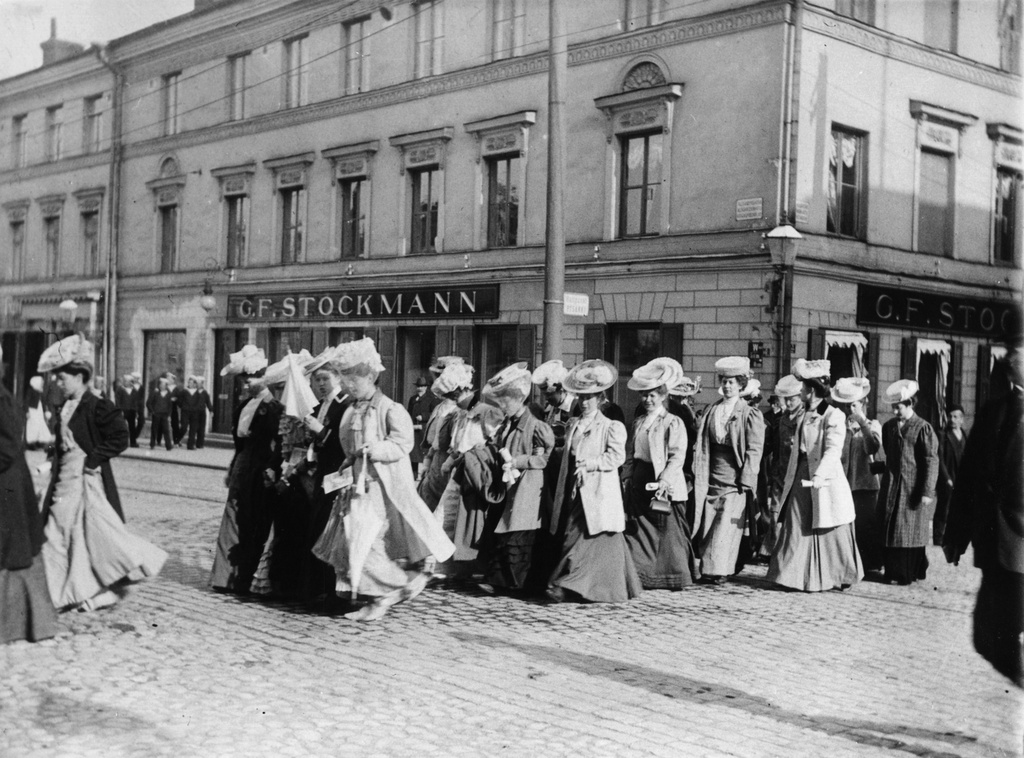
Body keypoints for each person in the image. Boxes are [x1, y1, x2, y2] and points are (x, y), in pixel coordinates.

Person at [313, 337, 455, 622]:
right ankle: (376, 597)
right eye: (347, 380)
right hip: (356, 487)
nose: (350, 387)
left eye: (355, 381)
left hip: (381, 487)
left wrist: (374, 450)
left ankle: (399, 584)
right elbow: (347, 444)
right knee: (351, 541)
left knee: (369, 541)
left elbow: (403, 443)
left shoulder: (391, 409)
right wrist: (348, 462)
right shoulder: (352, 410)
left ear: (370, 378)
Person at [37, 335, 166, 611]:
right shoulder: (64, 406)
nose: (59, 383)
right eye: (57, 379)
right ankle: (71, 592)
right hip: (63, 479)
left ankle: (79, 592)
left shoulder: (97, 405)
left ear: (80, 377)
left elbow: (120, 437)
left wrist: (92, 461)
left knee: (75, 534)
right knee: (67, 534)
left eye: (63, 378)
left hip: (84, 481)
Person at [943, 346, 1024, 687]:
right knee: (986, 639)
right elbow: (969, 478)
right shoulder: (993, 412)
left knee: (1001, 634)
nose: (1013, 358)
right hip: (994, 544)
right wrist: (955, 534)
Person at [547, 359, 642, 604]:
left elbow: (617, 456)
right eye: (580, 396)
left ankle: (567, 584)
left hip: (598, 489)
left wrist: (590, 464)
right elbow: (567, 454)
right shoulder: (574, 424)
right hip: (573, 488)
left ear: (600, 398)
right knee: (571, 534)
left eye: (590, 397)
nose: (584, 401)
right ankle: (582, 586)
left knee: (584, 537)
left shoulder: (611, 426)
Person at [767, 360, 863, 592]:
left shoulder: (834, 415)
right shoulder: (805, 414)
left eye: (802, 387)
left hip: (824, 478)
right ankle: (790, 575)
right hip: (801, 474)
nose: (799, 391)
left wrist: (820, 474)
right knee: (796, 522)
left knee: (831, 527)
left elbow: (833, 449)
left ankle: (842, 572)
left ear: (811, 390)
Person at [477, 363, 555, 594]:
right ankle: (502, 580)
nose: (502, 406)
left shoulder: (537, 427)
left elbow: (544, 460)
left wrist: (518, 461)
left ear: (518, 400)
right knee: (505, 528)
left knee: (521, 531)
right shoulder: (507, 425)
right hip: (510, 485)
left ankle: (519, 582)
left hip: (529, 487)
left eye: (505, 401)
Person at [210, 344, 281, 594]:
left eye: (252, 379)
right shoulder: (242, 407)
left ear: (264, 379)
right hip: (243, 466)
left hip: (260, 468)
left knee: (253, 522)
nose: (247, 384)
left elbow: (278, 443)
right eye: (245, 380)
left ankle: (244, 577)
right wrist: (232, 468)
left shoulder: (273, 408)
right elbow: (239, 444)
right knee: (232, 518)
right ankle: (224, 577)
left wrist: (272, 470)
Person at [622, 358, 699, 589]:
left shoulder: (672, 422)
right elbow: (632, 452)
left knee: (667, 530)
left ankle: (674, 575)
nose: (647, 400)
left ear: (663, 395)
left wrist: (665, 479)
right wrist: (626, 475)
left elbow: (677, 455)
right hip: (640, 479)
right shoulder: (639, 422)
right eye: (644, 395)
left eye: (653, 395)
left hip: (664, 482)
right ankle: (642, 573)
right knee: (640, 529)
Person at [0, 346, 58, 643]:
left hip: (7, 486)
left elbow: (8, 446)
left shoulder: (0, 398)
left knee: (13, 553)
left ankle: (25, 624)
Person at [691, 356, 765, 584]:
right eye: (724, 381)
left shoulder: (748, 412)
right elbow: (702, 443)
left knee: (726, 527)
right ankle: (708, 567)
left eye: (732, 382)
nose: (727, 385)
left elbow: (755, 448)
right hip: (711, 474)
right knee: (708, 522)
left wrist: (747, 477)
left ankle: (719, 571)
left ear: (741, 384)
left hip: (735, 477)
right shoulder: (712, 410)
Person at [299, 348, 351, 605]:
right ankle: (316, 587)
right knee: (317, 528)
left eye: (325, 379)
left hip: (337, 477)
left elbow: (344, 445)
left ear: (338, 378)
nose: (320, 384)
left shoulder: (345, 405)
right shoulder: (320, 405)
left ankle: (331, 590)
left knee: (330, 531)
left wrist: (321, 432)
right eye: (317, 379)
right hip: (321, 475)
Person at [878, 379, 939, 585]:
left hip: (912, 486)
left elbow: (931, 460)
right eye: (893, 407)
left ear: (910, 404)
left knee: (910, 528)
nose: (895, 411)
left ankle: (908, 572)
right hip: (892, 485)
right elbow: (889, 452)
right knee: (891, 526)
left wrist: (927, 491)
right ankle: (892, 571)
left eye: (899, 407)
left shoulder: (924, 428)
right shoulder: (889, 427)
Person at [831, 377, 884, 574]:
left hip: (866, 484)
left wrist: (863, 424)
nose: (849, 410)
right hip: (844, 483)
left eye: (853, 405)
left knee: (866, 525)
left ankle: (870, 564)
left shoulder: (873, 425)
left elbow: (873, 447)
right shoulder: (840, 426)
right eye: (846, 406)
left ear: (863, 404)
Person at [418, 359, 473, 511]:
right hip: (434, 463)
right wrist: (427, 460)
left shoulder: (459, 411)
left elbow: (459, 444)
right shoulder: (439, 408)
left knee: (443, 511)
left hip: (448, 464)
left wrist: (448, 463)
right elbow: (433, 438)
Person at [759, 374, 803, 558]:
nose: (789, 403)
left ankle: (788, 555)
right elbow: (772, 445)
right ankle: (772, 552)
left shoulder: (804, 418)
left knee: (793, 518)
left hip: (798, 476)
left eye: (792, 399)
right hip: (780, 474)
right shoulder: (782, 420)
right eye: (787, 399)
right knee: (774, 514)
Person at [934, 403, 966, 545]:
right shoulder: (942, 435)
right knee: (944, 507)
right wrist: (946, 478)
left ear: (961, 419)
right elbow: (939, 458)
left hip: (960, 477)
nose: (952, 419)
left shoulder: (964, 435)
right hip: (948, 477)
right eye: (950, 416)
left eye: (956, 417)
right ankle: (938, 536)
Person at [407, 376, 437, 477]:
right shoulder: (413, 399)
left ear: (425, 388)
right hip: (414, 429)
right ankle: (413, 474)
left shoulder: (431, 399)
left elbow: (435, 413)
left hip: (424, 430)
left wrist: (424, 416)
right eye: (418, 386)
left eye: (422, 386)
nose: (420, 388)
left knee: (424, 452)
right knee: (413, 453)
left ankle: (425, 474)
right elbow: (409, 412)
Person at [182, 376, 213, 450]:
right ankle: (192, 443)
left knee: (201, 428)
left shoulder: (205, 393)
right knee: (194, 428)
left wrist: (211, 410)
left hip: (202, 412)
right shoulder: (194, 392)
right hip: (195, 412)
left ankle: (200, 444)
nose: (198, 385)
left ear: (202, 384)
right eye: (197, 383)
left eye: (200, 383)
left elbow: (208, 402)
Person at [24, 375, 54, 449]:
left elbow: (43, 402)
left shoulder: (40, 391)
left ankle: (38, 442)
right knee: (32, 426)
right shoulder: (31, 390)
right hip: (33, 410)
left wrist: (46, 410)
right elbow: (27, 402)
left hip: (39, 411)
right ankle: (30, 443)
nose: (42, 384)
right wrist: (26, 411)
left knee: (39, 425)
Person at [147, 377, 174, 450]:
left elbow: (170, 405)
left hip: (164, 414)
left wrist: (169, 414)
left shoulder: (169, 394)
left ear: (166, 386)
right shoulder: (155, 393)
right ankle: (152, 444)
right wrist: (152, 411)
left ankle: (168, 446)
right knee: (154, 429)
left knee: (166, 430)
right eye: (160, 384)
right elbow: (148, 403)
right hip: (156, 414)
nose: (161, 386)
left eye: (163, 385)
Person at [114, 375, 140, 448]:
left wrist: (136, 411)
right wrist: (119, 410)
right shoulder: (120, 389)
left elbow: (136, 402)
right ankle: (119, 442)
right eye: (125, 381)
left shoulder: (134, 390)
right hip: (123, 410)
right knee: (121, 427)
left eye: (127, 381)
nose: (125, 382)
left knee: (132, 427)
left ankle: (133, 442)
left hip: (132, 410)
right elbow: (117, 400)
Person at [130, 372, 145, 447]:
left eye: (137, 378)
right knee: (131, 424)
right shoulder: (130, 387)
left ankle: (134, 436)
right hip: (131, 407)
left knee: (141, 422)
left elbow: (142, 398)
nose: (137, 379)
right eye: (135, 378)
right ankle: (132, 440)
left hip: (139, 407)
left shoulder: (141, 387)